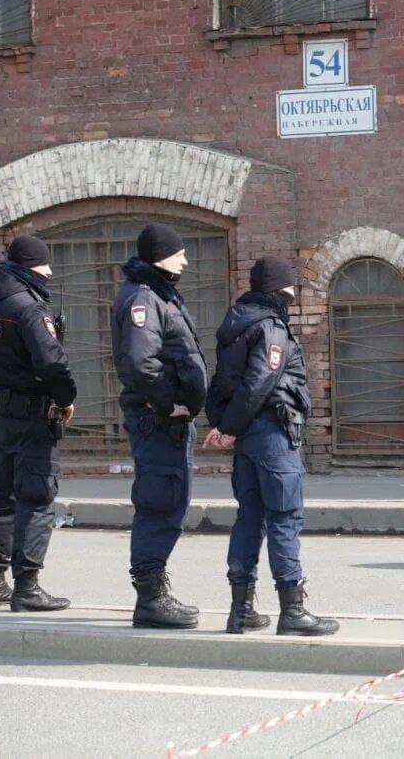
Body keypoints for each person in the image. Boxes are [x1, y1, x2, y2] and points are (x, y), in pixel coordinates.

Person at [203, 257, 338, 637]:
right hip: (273, 435)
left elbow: (221, 383)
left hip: (247, 435)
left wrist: (224, 424)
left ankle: (240, 611)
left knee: (250, 517)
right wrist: (228, 427)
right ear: (279, 292)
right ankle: (292, 611)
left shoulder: (234, 326)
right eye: (290, 295)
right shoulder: (270, 327)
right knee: (284, 517)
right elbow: (261, 380)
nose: (291, 302)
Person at [0, 235, 75, 612]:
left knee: (2, 498)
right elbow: (53, 364)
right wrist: (64, 399)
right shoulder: (29, 307)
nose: (50, 273)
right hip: (31, 415)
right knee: (37, 497)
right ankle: (27, 587)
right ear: (30, 266)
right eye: (45, 266)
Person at [110, 223, 208, 629]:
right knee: (159, 502)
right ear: (160, 256)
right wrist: (167, 404)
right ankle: (150, 599)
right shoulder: (143, 298)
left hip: (166, 422)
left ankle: (154, 590)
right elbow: (139, 362)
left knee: (169, 501)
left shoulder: (158, 295)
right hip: (158, 422)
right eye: (179, 252)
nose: (185, 259)